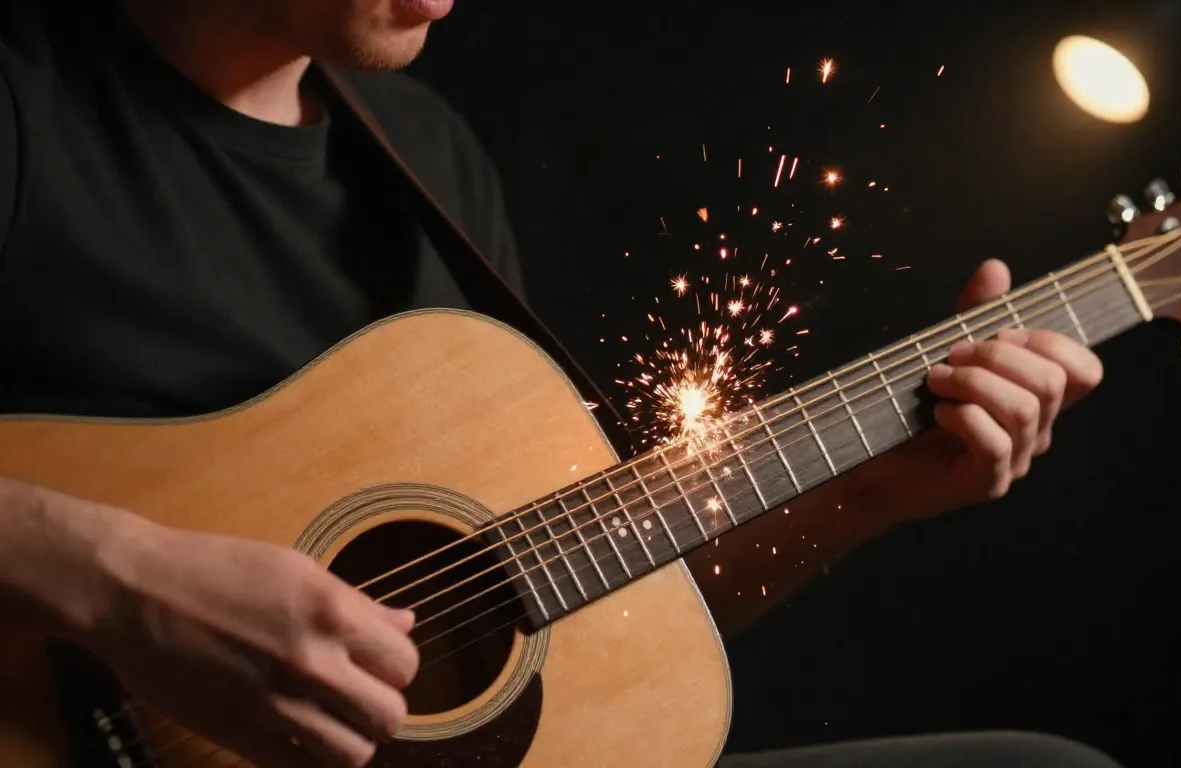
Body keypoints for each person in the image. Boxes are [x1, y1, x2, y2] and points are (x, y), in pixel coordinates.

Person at [0, 1, 1120, 766]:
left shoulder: (424, 159)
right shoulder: (24, 94)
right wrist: (122, 586)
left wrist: (869, 491)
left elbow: (574, 622)